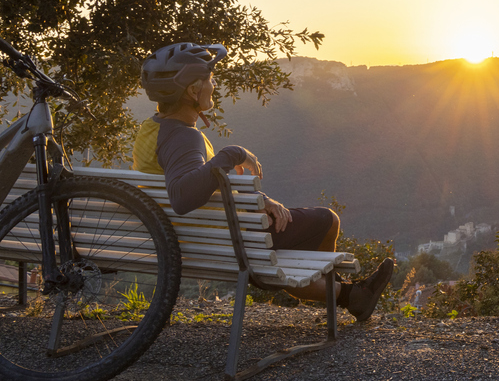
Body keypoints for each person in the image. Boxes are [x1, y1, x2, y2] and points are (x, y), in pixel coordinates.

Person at [132, 42, 394, 321]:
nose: (214, 85)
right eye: (209, 80)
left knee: (291, 232)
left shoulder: (152, 128)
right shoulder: (184, 137)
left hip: (195, 239)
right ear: (193, 91)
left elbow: (196, 185)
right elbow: (183, 197)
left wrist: (258, 201)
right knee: (328, 220)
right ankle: (349, 295)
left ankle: (352, 295)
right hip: (234, 244)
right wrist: (233, 153)